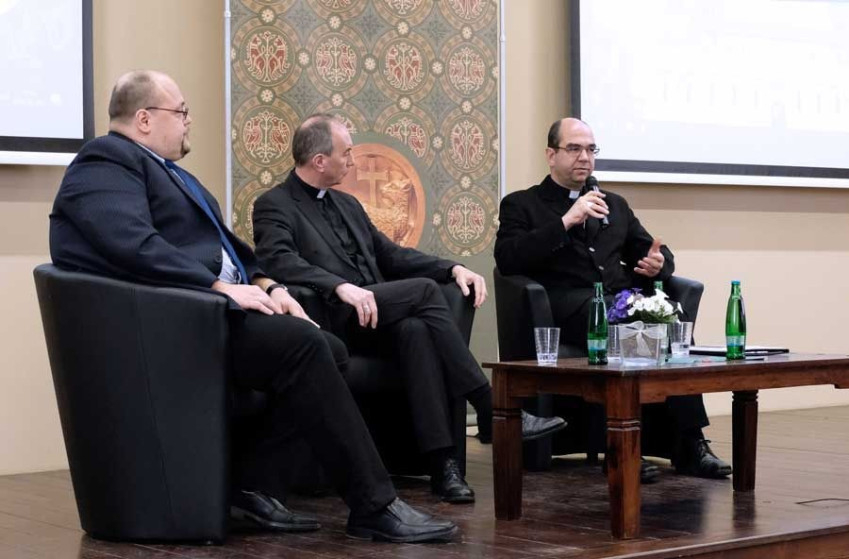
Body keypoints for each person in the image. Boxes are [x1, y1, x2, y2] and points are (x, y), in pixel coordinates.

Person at [49, 70, 459, 543]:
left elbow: (232, 250)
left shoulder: (172, 173)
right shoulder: (104, 160)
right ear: (143, 118)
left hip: (207, 314)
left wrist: (268, 284)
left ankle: (248, 489)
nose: (188, 121)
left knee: (328, 348)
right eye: (181, 112)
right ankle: (374, 504)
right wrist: (216, 287)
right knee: (306, 346)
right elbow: (129, 241)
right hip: (176, 325)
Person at [251, 113, 567, 503]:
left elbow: (391, 255)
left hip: (375, 314)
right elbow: (278, 260)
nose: (352, 161)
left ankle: (442, 467)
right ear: (319, 160)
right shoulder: (275, 204)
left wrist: (452, 268)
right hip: (330, 320)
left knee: (416, 331)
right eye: (346, 153)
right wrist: (340, 286)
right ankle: (489, 407)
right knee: (424, 292)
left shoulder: (347, 204)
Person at [494, 117, 731, 481]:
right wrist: (566, 221)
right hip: (564, 307)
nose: (584, 157)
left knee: (671, 326)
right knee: (618, 323)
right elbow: (508, 258)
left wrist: (659, 264)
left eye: (591, 149)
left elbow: (653, 250)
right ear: (551, 155)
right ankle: (621, 449)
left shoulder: (614, 205)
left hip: (619, 301)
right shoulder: (522, 204)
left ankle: (690, 444)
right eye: (574, 149)